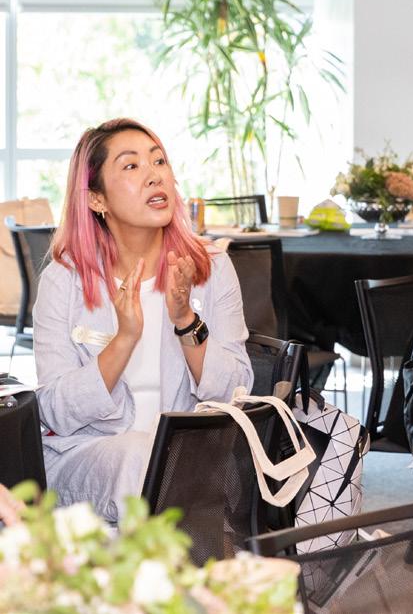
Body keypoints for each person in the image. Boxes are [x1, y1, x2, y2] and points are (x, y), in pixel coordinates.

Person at [34, 118, 252, 522]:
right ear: (96, 199)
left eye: (159, 161)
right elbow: (54, 411)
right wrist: (125, 338)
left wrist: (185, 319)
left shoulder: (210, 268)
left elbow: (236, 393)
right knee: (143, 455)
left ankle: (167, 556)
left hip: (191, 458)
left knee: (170, 460)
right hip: (86, 457)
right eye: (132, 166)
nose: (154, 175)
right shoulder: (64, 281)